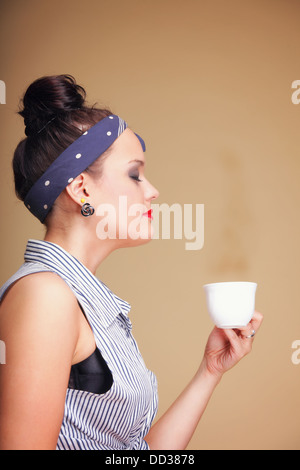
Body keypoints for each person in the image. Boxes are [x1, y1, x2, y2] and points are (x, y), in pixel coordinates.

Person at [0, 75, 263, 450]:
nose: (153, 190)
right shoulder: (45, 297)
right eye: (135, 174)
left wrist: (210, 370)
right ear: (82, 189)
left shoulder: (82, 299)